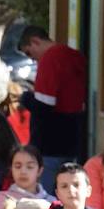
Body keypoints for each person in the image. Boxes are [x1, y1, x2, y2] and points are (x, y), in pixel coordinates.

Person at [17, 25, 87, 192]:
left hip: (50, 144)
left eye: (29, 52)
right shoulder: (75, 56)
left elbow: (43, 106)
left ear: (35, 41)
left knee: (45, 196)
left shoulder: (50, 59)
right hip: (73, 138)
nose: (33, 59)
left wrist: (26, 98)